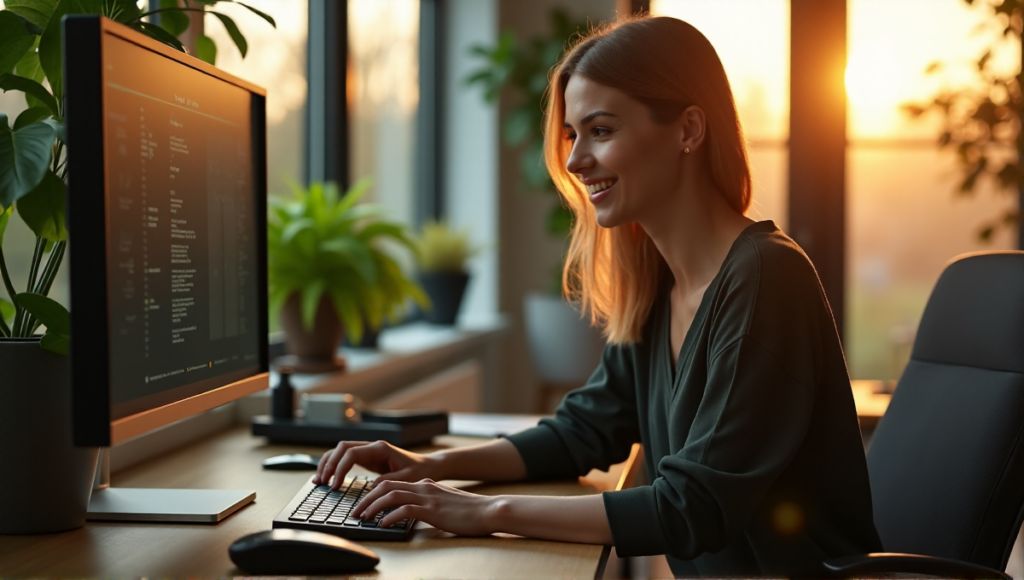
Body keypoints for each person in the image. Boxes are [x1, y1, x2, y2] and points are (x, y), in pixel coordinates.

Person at [313, 15, 882, 577]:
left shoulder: (766, 278)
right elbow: (583, 432)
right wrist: (431, 468)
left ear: (688, 130)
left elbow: (693, 509)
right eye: (572, 134)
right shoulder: (660, 283)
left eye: (601, 130)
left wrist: (483, 511)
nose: (574, 160)